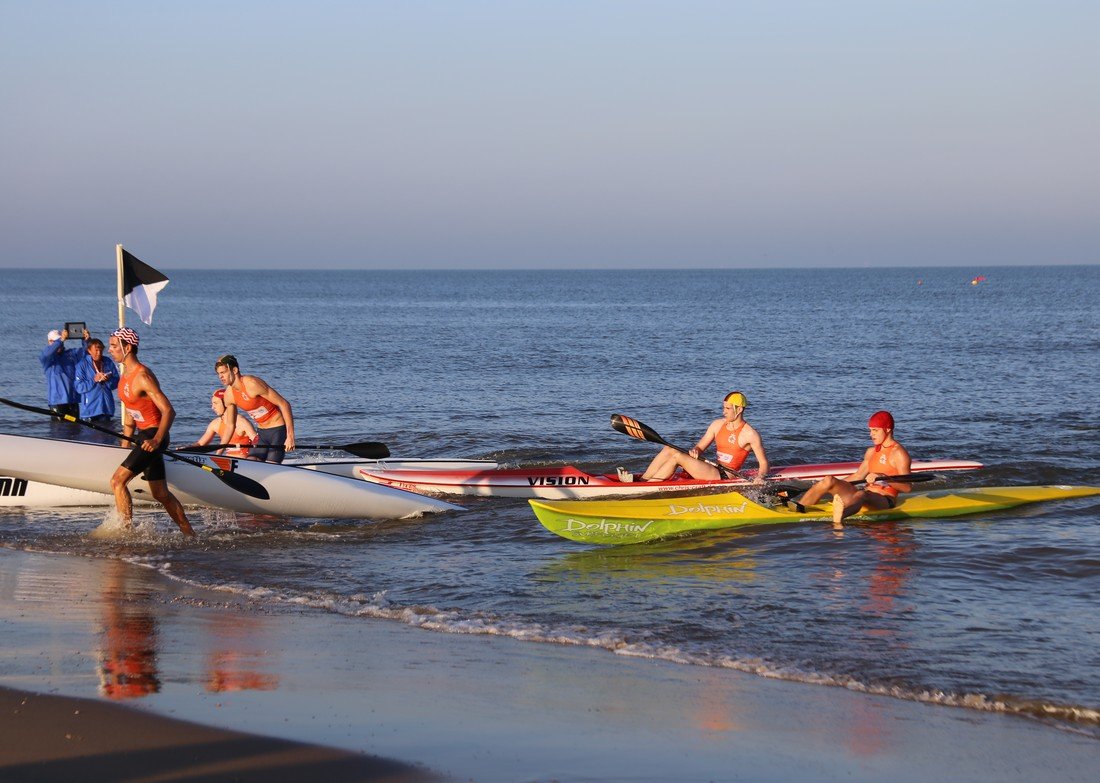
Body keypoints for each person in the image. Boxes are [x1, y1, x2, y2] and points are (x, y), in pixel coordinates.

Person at [107, 327, 194, 537]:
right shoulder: (125, 376)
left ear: (127, 347)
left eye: (113, 345)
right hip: (142, 436)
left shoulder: (142, 376)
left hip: (154, 436)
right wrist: (125, 446)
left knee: (117, 481)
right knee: (160, 493)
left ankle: (125, 532)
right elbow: (130, 416)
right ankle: (189, 534)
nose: (110, 350)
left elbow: (168, 411)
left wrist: (156, 440)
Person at [795, 410, 912, 528]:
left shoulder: (899, 453)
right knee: (829, 480)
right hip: (865, 493)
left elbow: (907, 487)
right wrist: (836, 486)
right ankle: (799, 507)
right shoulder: (871, 452)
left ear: (887, 430)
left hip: (885, 500)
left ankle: (840, 516)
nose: (871, 434)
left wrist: (883, 477)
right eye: (870, 430)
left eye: (875, 430)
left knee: (862, 494)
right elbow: (858, 476)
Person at [640, 391, 769, 482]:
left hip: (724, 475)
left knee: (677, 457)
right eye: (723, 407)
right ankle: (642, 480)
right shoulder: (717, 425)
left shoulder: (750, 434)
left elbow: (763, 463)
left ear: (739, 410)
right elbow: (699, 447)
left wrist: (760, 477)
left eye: (728, 409)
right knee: (670, 449)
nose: (723, 411)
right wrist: (696, 451)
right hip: (712, 467)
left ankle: (650, 486)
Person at [214, 354, 295, 463]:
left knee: (270, 467)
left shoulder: (252, 384)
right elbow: (230, 426)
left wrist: (290, 437)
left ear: (234, 370)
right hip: (261, 434)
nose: (220, 376)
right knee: (251, 463)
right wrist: (219, 453)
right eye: (218, 374)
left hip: (277, 430)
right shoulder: (229, 395)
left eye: (223, 372)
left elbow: (284, 404)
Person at [189, 389, 258, 458]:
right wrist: (187, 449)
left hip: (245, 463)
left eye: (215, 403)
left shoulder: (241, 422)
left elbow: (258, 443)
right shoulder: (215, 424)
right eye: (212, 404)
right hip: (227, 461)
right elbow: (201, 444)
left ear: (226, 403)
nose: (212, 407)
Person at [39, 325, 90, 417]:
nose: (58, 344)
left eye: (60, 341)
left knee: (75, 429)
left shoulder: (72, 354)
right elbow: (47, 354)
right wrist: (61, 340)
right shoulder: (47, 358)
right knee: (59, 429)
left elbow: (88, 353)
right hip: (57, 402)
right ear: (49, 342)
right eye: (54, 342)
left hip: (73, 400)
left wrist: (86, 340)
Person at [74, 338, 120, 422]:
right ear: (89, 350)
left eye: (101, 350)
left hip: (106, 409)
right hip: (90, 411)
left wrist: (108, 381)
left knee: (107, 434)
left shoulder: (108, 361)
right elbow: (79, 388)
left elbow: (117, 381)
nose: (99, 353)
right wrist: (94, 380)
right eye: (96, 350)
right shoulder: (82, 365)